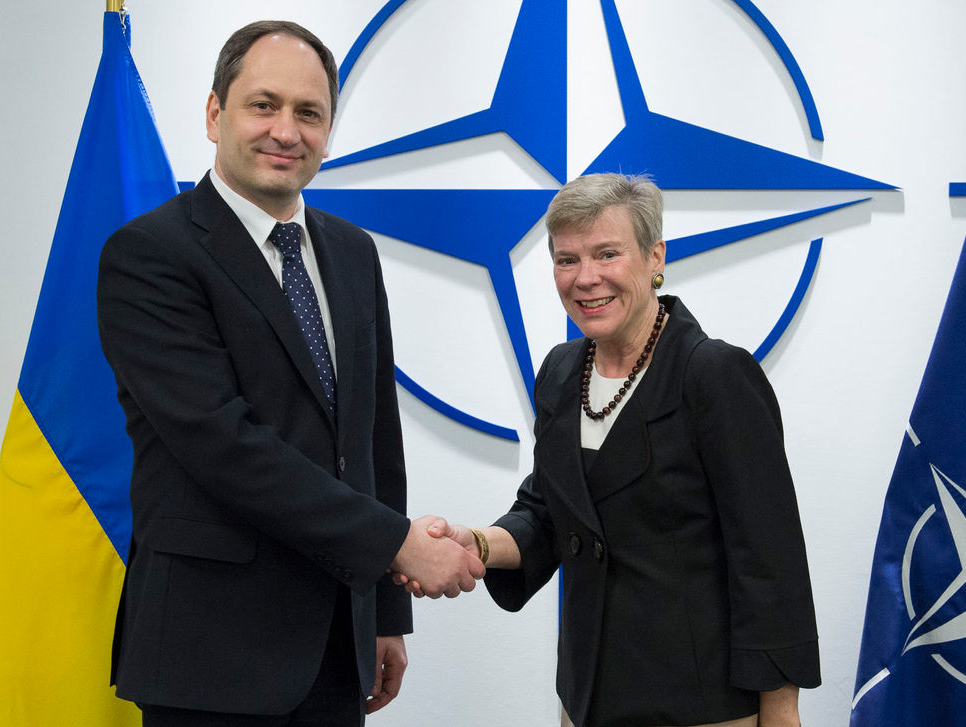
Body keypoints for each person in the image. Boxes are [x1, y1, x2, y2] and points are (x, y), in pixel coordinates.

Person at [96, 20, 484, 725]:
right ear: (215, 115)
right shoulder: (149, 255)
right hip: (208, 659)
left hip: (338, 649)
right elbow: (224, 446)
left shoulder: (351, 252)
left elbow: (371, 443)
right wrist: (396, 544)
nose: (286, 130)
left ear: (329, 130)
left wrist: (385, 604)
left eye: (309, 113)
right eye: (263, 105)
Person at [405, 174, 820, 727]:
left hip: (701, 704)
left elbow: (769, 561)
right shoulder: (559, 372)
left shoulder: (714, 373)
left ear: (654, 257)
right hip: (587, 696)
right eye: (566, 259)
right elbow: (546, 514)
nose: (586, 279)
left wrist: (781, 712)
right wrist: (475, 543)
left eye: (607, 254)